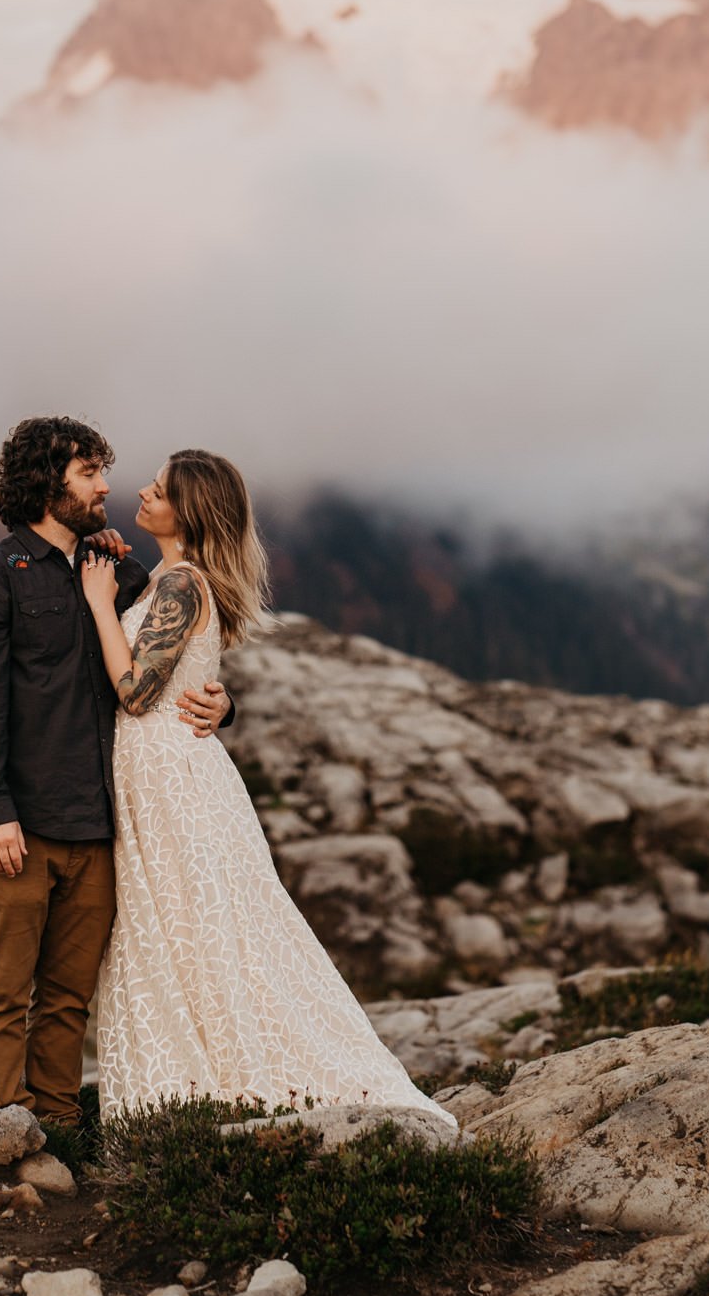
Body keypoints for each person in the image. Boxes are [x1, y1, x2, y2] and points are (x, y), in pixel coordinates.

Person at [80, 447, 456, 1128]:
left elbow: (135, 692)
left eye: (159, 490)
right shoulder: (171, 575)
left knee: (193, 926)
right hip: (162, 770)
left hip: (169, 774)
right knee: (177, 927)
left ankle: (221, 1081)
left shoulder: (183, 583)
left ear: (188, 511)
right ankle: (204, 1078)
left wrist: (99, 605)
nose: (142, 491)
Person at [0, 417, 233, 1125]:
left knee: (69, 999)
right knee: (5, 993)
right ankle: (1, 1135)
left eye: (104, 470)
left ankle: (61, 1130)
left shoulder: (121, 573)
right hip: (16, 822)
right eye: (89, 473)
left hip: (98, 828)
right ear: (48, 484)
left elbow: (165, 659)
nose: (106, 485)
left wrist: (224, 703)